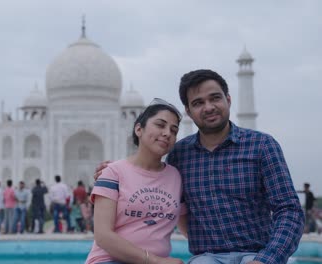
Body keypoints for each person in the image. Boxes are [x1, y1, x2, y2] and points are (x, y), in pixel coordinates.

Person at [95, 69, 305, 264]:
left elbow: (289, 210)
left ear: (228, 100)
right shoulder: (180, 154)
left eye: (215, 98)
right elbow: (149, 176)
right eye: (198, 103)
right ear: (189, 111)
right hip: (208, 257)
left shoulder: (262, 146)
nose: (208, 107)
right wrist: (116, 171)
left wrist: (267, 259)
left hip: (257, 253)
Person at [86, 100, 186, 264]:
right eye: (160, 125)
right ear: (138, 129)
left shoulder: (175, 176)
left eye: (173, 130)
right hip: (110, 260)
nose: (167, 133)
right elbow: (103, 236)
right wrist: (155, 261)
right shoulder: (112, 173)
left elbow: (185, 224)